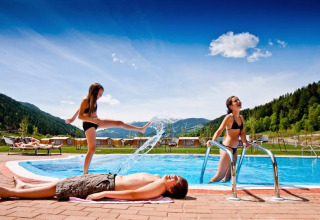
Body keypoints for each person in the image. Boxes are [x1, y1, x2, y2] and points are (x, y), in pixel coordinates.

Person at [65, 83, 150, 174]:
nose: (100, 96)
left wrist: (72, 118)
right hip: (89, 124)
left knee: (119, 123)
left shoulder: (93, 100)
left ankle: (140, 129)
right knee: (92, 148)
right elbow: (81, 116)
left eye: (101, 94)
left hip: (96, 121)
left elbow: (79, 109)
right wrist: (76, 119)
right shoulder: (85, 99)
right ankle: (85, 173)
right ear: (94, 92)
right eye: (99, 93)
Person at [0, 173, 188, 201]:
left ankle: (10, 193)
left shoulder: (160, 187)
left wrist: (103, 193)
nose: (172, 175)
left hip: (105, 184)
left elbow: (133, 194)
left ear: (171, 189)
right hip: (106, 178)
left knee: (62, 189)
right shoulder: (160, 180)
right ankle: (24, 186)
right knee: (65, 182)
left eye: (175, 179)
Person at [207, 96, 250, 183]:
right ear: (230, 106)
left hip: (234, 149)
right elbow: (220, 130)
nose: (239, 101)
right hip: (227, 148)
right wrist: (213, 140)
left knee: (228, 178)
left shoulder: (241, 117)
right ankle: (205, 185)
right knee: (219, 176)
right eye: (235, 101)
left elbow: (242, 132)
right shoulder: (229, 117)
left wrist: (245, 142)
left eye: (239, 100)